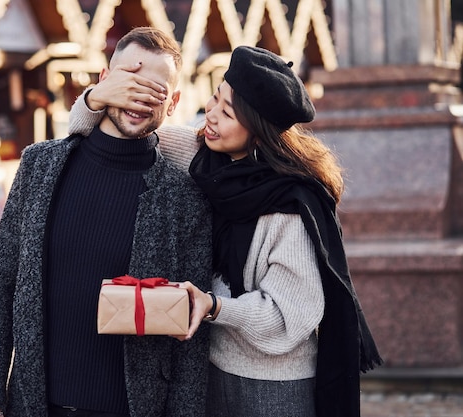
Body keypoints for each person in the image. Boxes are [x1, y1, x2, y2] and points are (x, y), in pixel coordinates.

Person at [68, 45, 383, 417]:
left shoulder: (289, 207)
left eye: (228, 113)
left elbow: (290, 317)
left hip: (275, 385)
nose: (211, 116)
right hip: (213, 373)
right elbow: (97, 133)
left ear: (258, 132)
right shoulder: (201, 157)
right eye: (215, 100)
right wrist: (98, 95)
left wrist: (215, 305)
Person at [0, 27, 213, 417]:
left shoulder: (184, 197)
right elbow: (0, 286)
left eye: (155, 90)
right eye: (130, 81)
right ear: (104, 81)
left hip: (132, 408)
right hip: (35, 404)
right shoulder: (40, 165)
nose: (139, 98)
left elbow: (191, 337)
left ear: (174, 104)